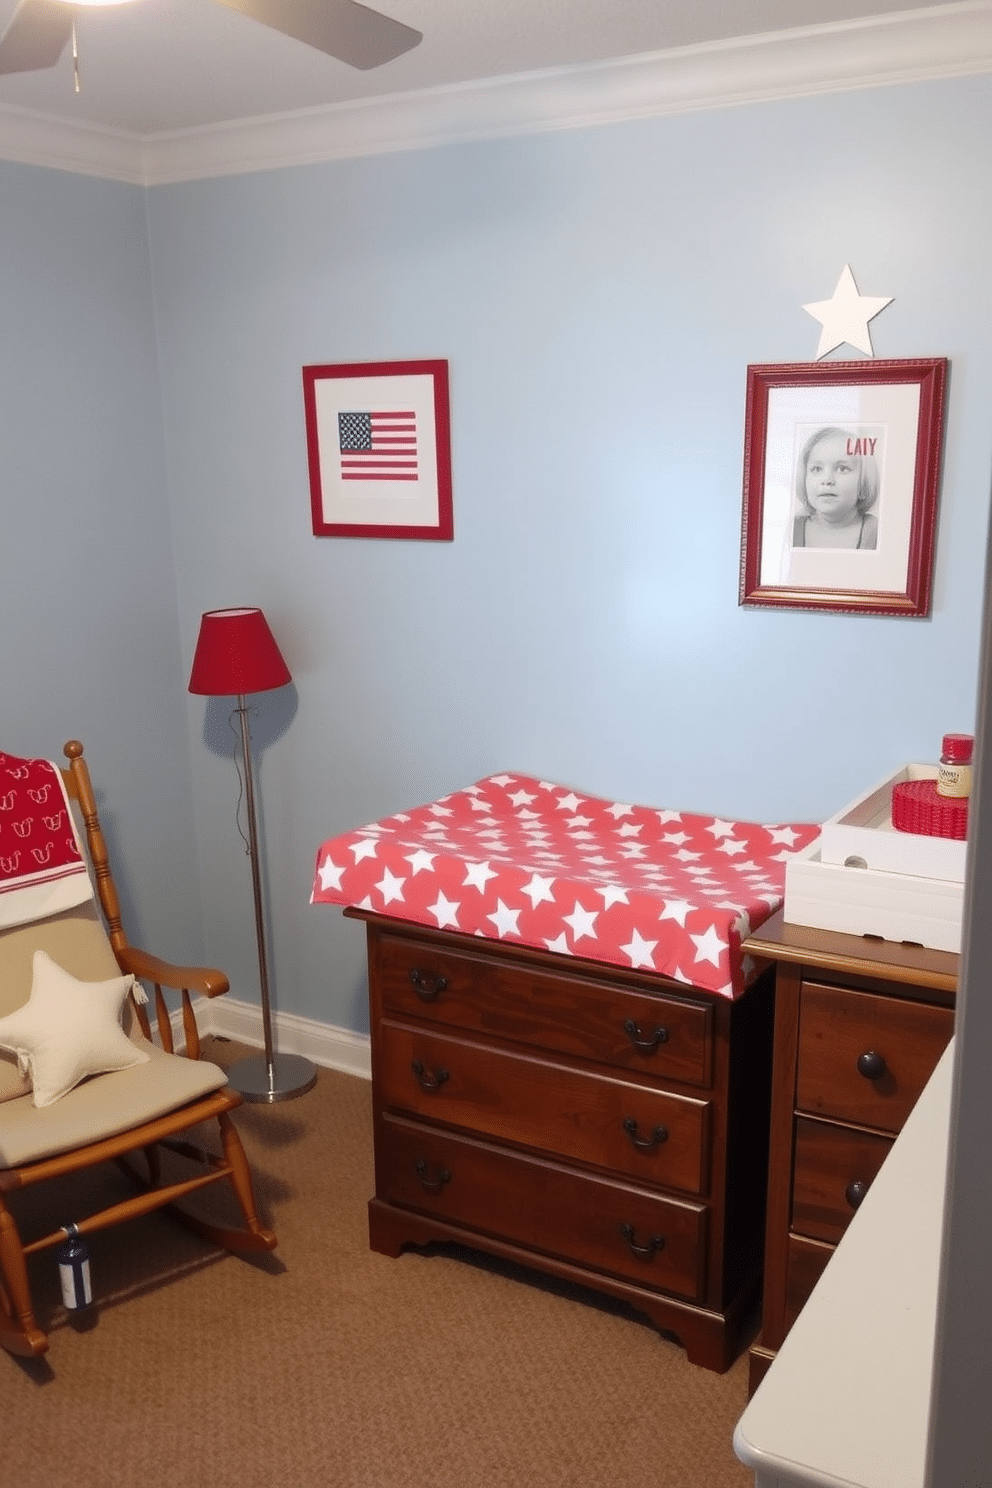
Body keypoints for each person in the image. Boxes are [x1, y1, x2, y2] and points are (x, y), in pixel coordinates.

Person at [792, 426, 880, 549]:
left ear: (863, 482)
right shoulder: (793, 528)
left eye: (842, 469)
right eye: (817, 469)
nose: (827, 480)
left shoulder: (877, 531)